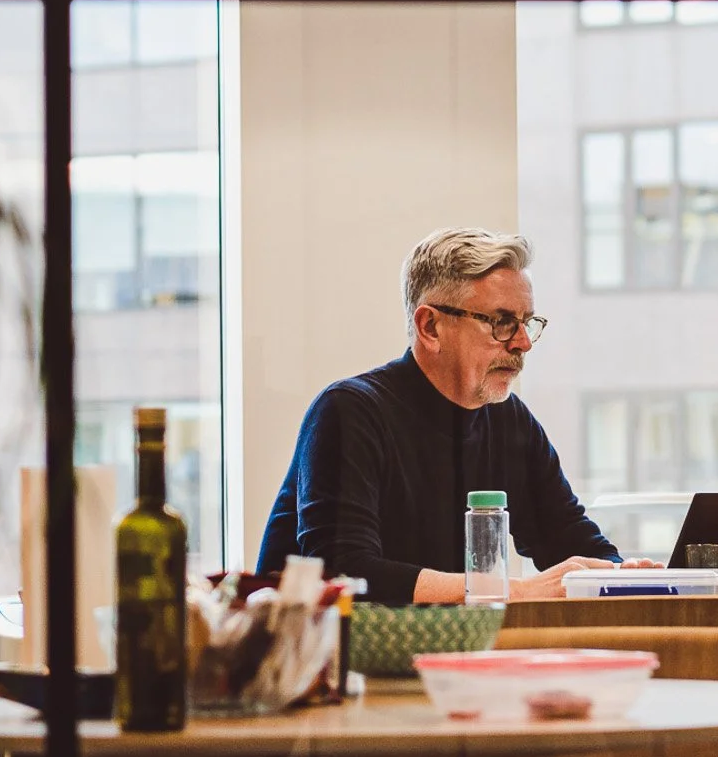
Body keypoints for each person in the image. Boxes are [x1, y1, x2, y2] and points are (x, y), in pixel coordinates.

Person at [255, 227, 649, 603]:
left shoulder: (511, 420)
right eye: (501, 322)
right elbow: (346, 573)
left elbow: (568, 539)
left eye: (527, 322)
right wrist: (514, 590)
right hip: (328, 663)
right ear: (430, 327)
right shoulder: (349, 412)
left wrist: (623, 574)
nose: (523, 343)